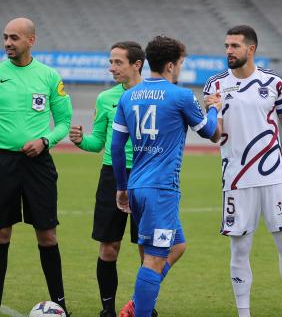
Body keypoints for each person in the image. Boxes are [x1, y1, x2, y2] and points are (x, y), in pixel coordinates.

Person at [69, 42, 186, 317]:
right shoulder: (105, 98)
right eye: (110, 62)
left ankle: (139, 306)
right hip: (113, 175)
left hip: (147, 175)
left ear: (137, 64)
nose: (112, 68)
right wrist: (80, 141)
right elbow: (99, 142)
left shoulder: (155, 95)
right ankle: (108, 310)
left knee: (148, 251)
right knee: (109, 247)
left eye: (118, 62)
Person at [111, 35, 220, 317]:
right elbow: (211, 133)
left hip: (136, 186)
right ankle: (140, 310)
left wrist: (121, 187)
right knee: (154, 260)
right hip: (162, 190)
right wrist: (214, 108)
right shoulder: (180, 96)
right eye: (181, 63)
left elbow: (116, 146)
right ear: (171, 65)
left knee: (178, 245)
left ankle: (137, 303)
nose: (181, 68)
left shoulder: (128, 95)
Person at [203, 25, 282, 317]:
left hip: (273, 176)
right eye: (226, 46)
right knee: (239, 248)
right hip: (235, 179)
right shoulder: (215, 85)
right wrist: (214, 110)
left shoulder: (274, 83)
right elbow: (214, 134)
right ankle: (243, 312)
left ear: (251, 49)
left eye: (235, 46)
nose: (229, 51)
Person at [0, 18, 72, 313]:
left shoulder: (48, 76)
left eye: (14, 38)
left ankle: (61, 304)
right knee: (2, 233)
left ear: (31, 40)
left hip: (38, 164)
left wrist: (45, 140)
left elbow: (64, 122)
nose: (7, 43)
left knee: (47, 234)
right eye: (5, 37)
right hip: (3, 162)